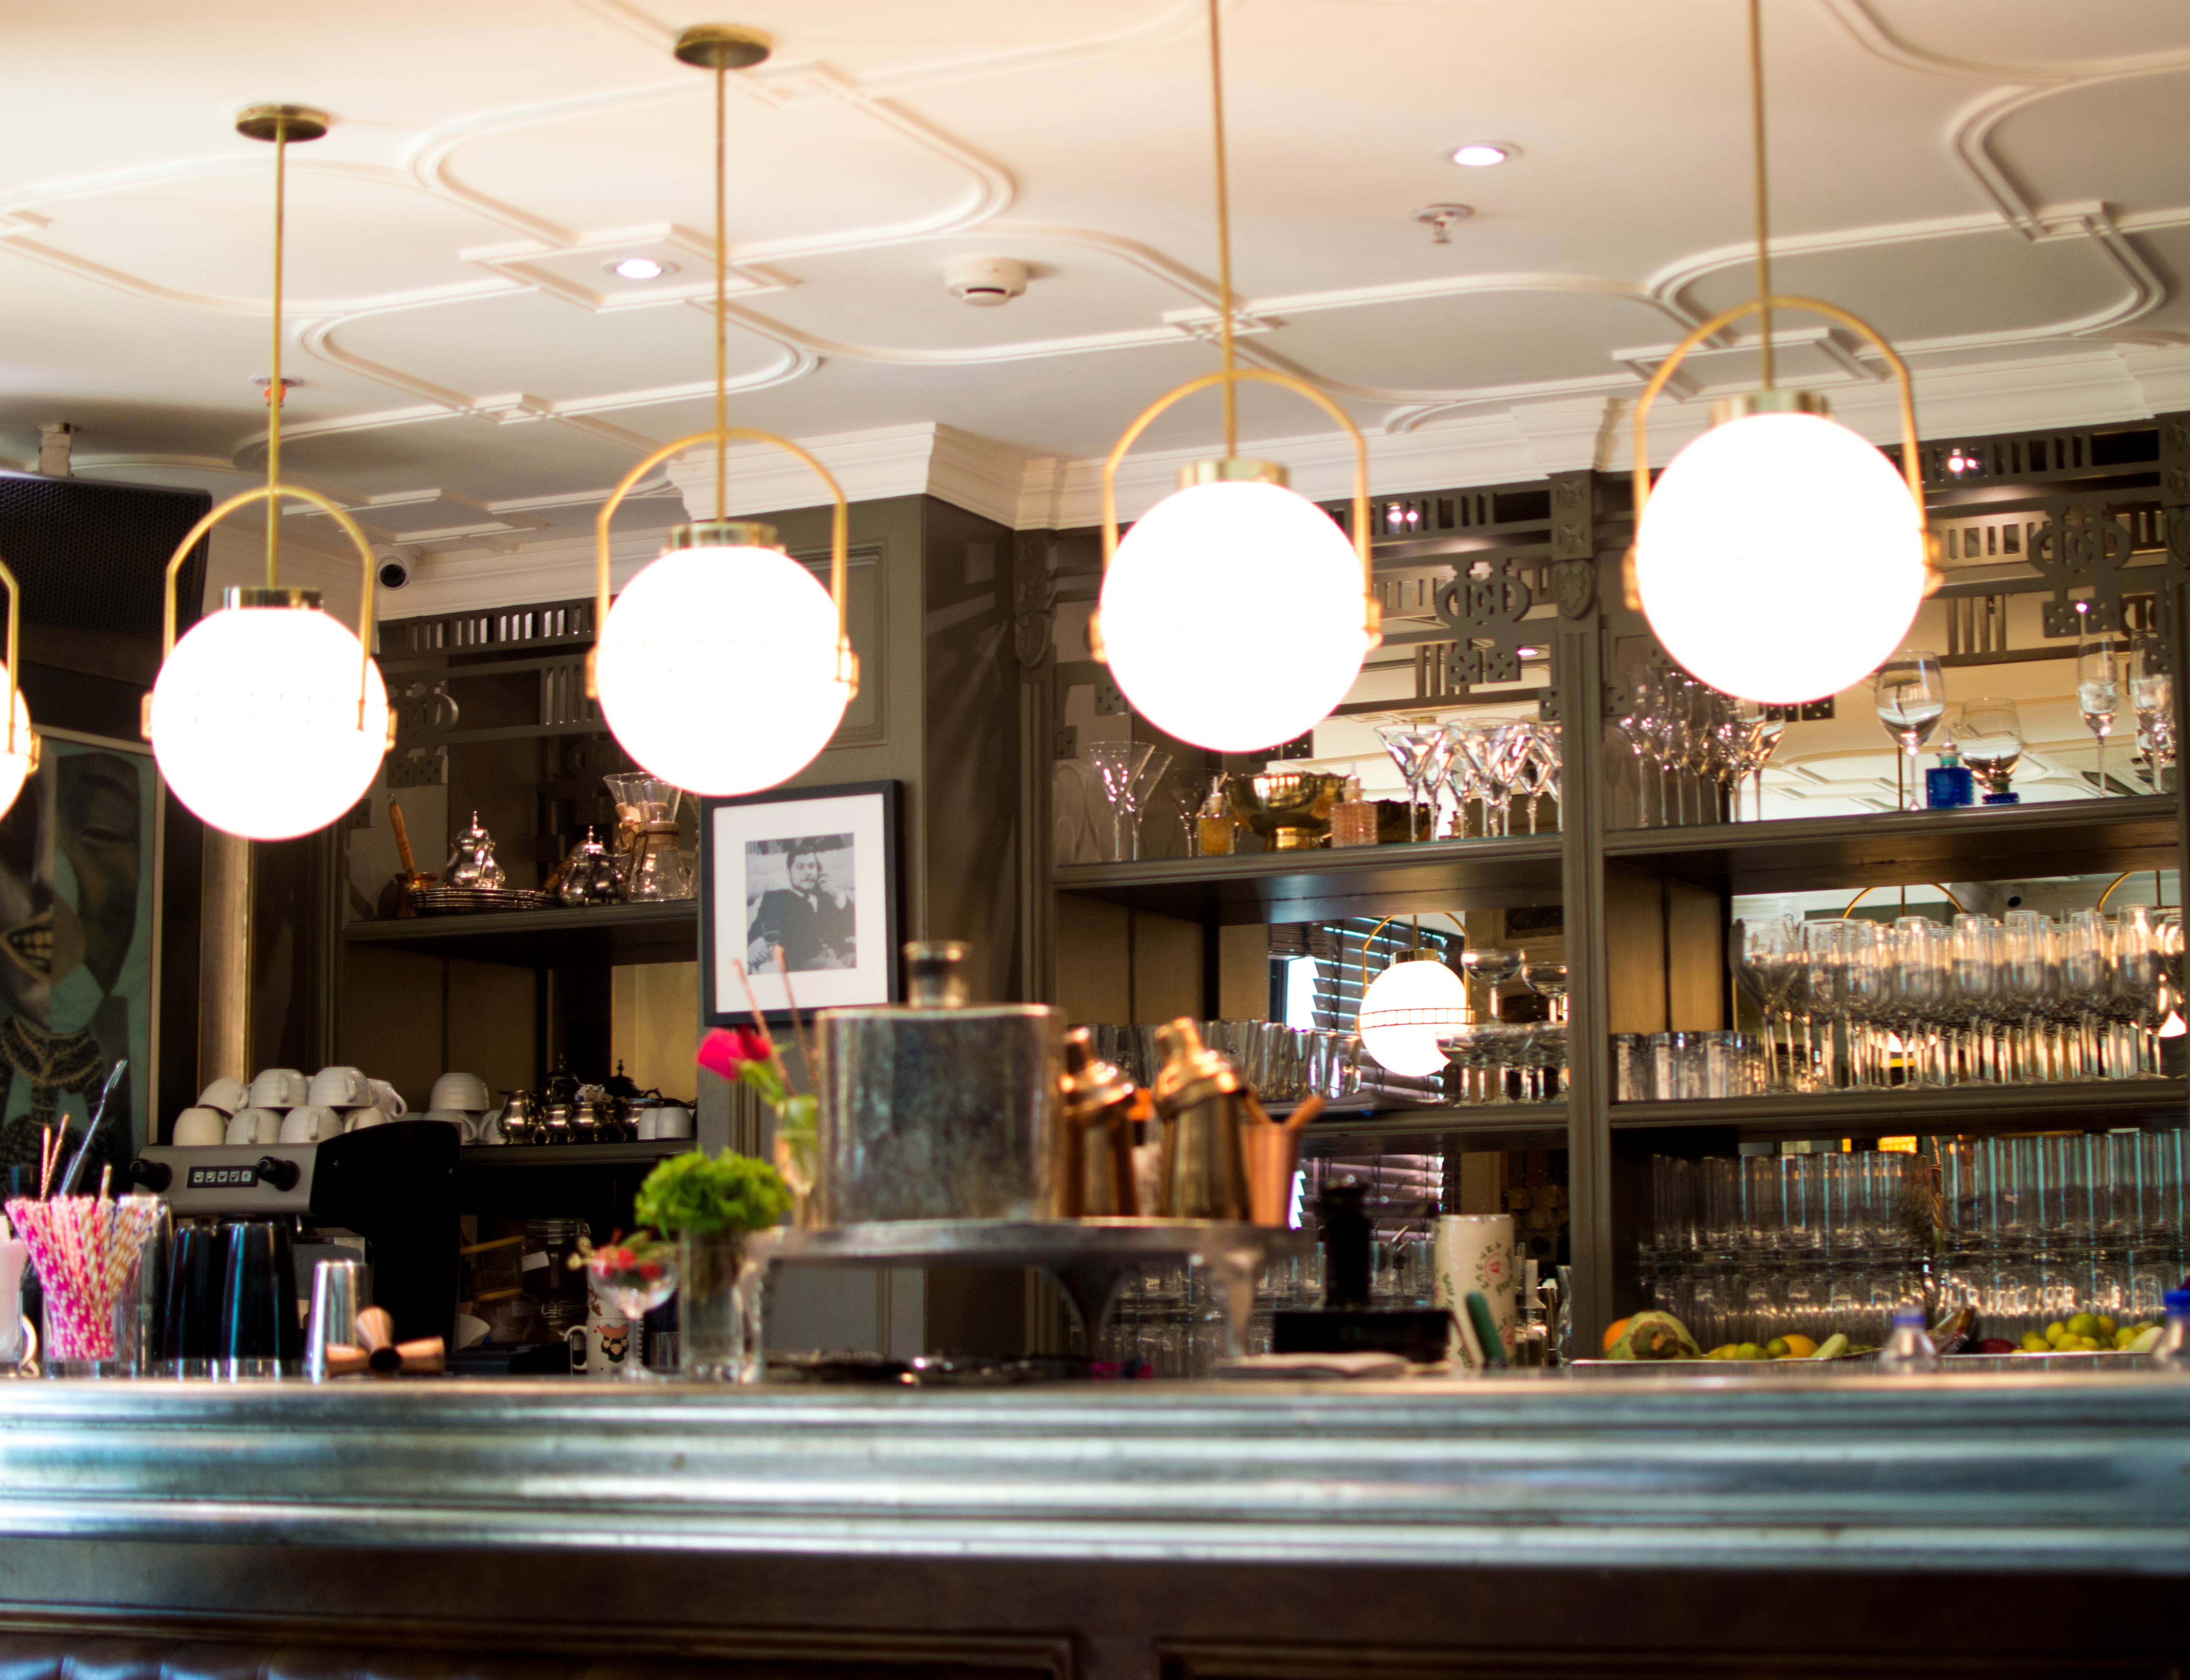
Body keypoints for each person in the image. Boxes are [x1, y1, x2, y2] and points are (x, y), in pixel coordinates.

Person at [746, 843, 853, 971]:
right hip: (808, 963)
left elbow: (853, 926)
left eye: (812, 867)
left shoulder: (827, 896)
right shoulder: (776, 898)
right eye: (800, 867)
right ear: (789, 873)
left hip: (845, 954)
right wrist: (757, 942)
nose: (808, 873)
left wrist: (836, 893)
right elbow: (757, 929)